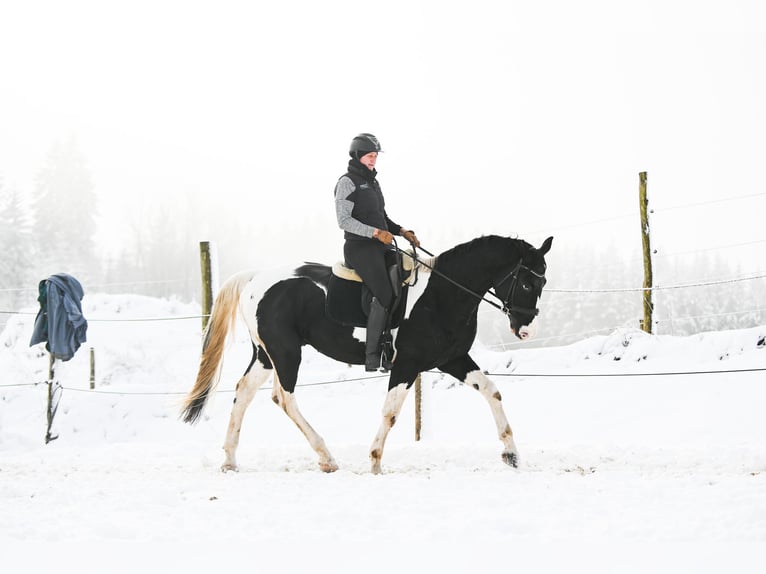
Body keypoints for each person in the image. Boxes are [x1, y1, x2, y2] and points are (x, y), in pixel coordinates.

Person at [334, 133, 420, 371]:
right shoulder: (347, 182)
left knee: (403, 277)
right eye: (370, 156)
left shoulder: (372, 182)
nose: (373, 160)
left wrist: (402, 231)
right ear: (358, 156)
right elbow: (344, 220)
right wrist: (374, 233)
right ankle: (373, 355)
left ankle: (394, 337)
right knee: (383, 291)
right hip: (359, 247)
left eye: (375, 157)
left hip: (380, 245)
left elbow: (381, 218)